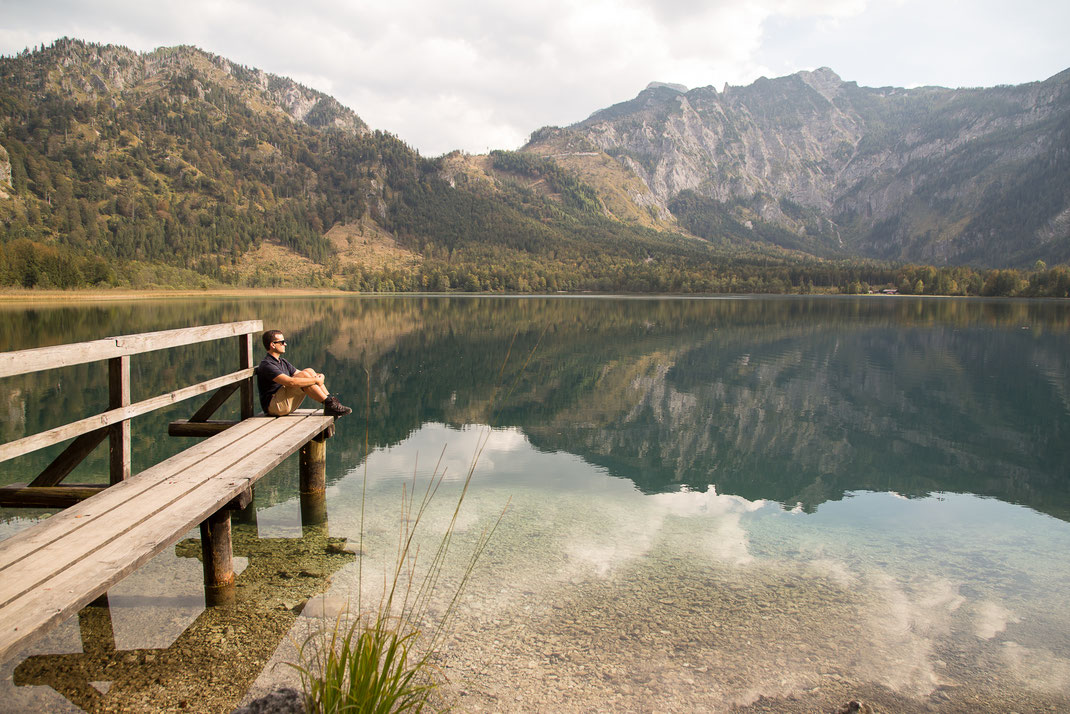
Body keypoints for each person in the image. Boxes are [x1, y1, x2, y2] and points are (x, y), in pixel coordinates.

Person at [257, 329, 352, 417]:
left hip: (282, 402)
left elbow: (303, 373)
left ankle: (332, 403)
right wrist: (316, 380)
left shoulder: (282, 361)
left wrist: (320, 376)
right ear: (273, 345)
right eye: (282, 342)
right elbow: (290, 382)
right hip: (274, 406)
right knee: (305, 376)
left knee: (309, 371)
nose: (285, 344)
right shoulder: (267, 365)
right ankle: (329, 404)